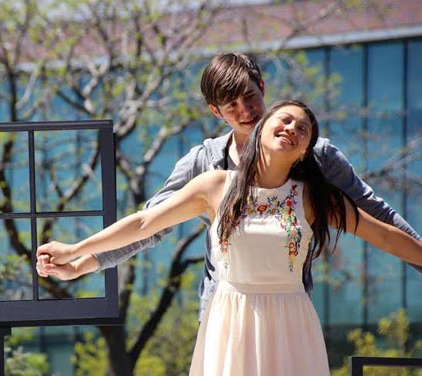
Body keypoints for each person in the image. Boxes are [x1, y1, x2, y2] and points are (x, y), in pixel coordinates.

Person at [37, 100, 422, 375]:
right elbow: (144, 224)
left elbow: (385, 235)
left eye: (302, 128)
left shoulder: (316, 199)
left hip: (291, 324)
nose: (292, 129)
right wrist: (76, 250)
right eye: (285, 120)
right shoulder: (214, 185)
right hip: (229, 320)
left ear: (306, 150)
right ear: (263, 127)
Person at [36, 52, 421, 319]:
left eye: (250, 97)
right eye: (231, 105)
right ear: (215, 111)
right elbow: (149, 225)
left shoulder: (314, 154)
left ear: (263, 88)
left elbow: (377, 217)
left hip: (288, 302)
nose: (245, 110)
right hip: (222, 304)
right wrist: (84, 262)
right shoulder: (205, 166)